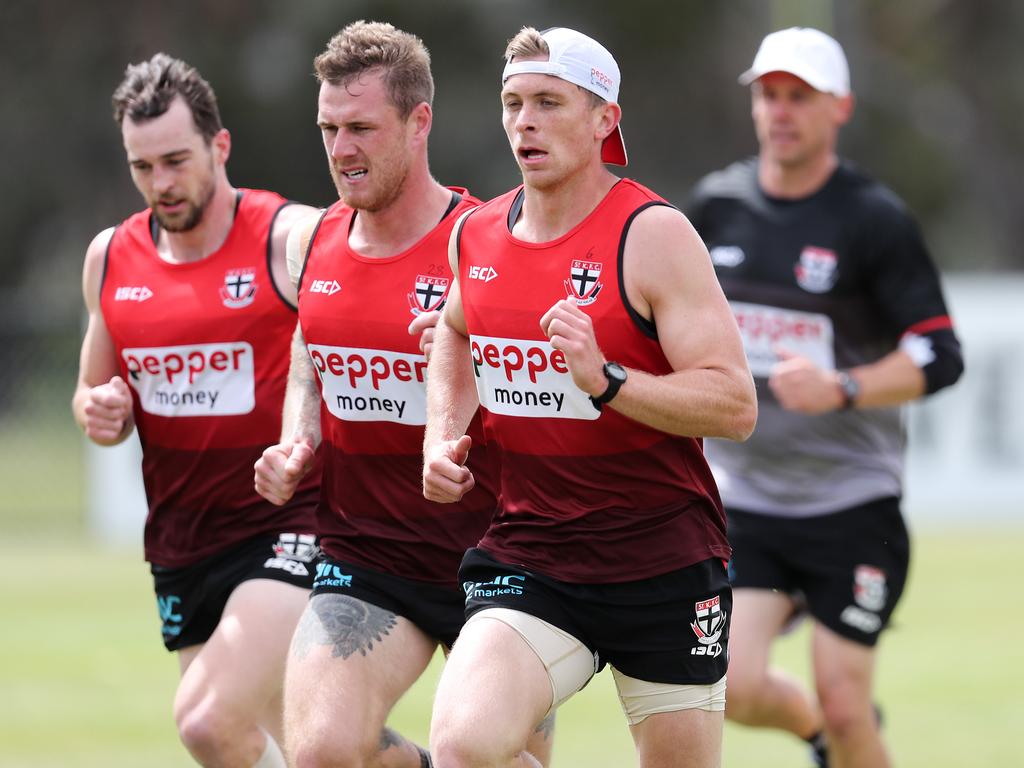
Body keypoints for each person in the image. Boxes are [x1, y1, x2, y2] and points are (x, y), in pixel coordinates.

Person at [422, 26, 757, 768]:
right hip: (533, 554)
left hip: (663, 562)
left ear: (605, 116)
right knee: (462, 746)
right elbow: (452, 330)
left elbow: (734, 405)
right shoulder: (474, 236)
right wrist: (441, 434)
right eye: (512, 103)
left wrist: (607, 380)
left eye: (548, 101)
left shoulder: (653, 233)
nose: (524, 122)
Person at [252, 22, 553, 768]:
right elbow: (309, 350)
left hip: (500, 556)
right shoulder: (313, 239)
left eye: (361, 127)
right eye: (328, 128)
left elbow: (549, 387)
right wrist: (299, 439)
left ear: (419, 123)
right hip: (366, 549)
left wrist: (465, 359)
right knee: (320, 752)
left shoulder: (488, 240)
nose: (341, 148)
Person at [686, 27, 965, 768]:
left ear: (839, 107)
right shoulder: (716, 207)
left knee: (849, 701)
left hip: (852, 503)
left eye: (799, 97)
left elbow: (940, 357)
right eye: (768, 95)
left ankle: (840, 728)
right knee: (733, 687)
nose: (780, 111)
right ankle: (821, 735)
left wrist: (844, 387)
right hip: (746, 499)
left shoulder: (874, 221)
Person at [72, 54, 321, 768]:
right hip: (182, 542)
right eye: (142, 167)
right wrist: (102, 409)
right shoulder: (110, 259)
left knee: (207, 721)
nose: (161, 183)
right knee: (292, 746)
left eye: (176, 161)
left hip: (289, 526)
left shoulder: (288, 238)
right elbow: (92, 395)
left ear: (220, 146)